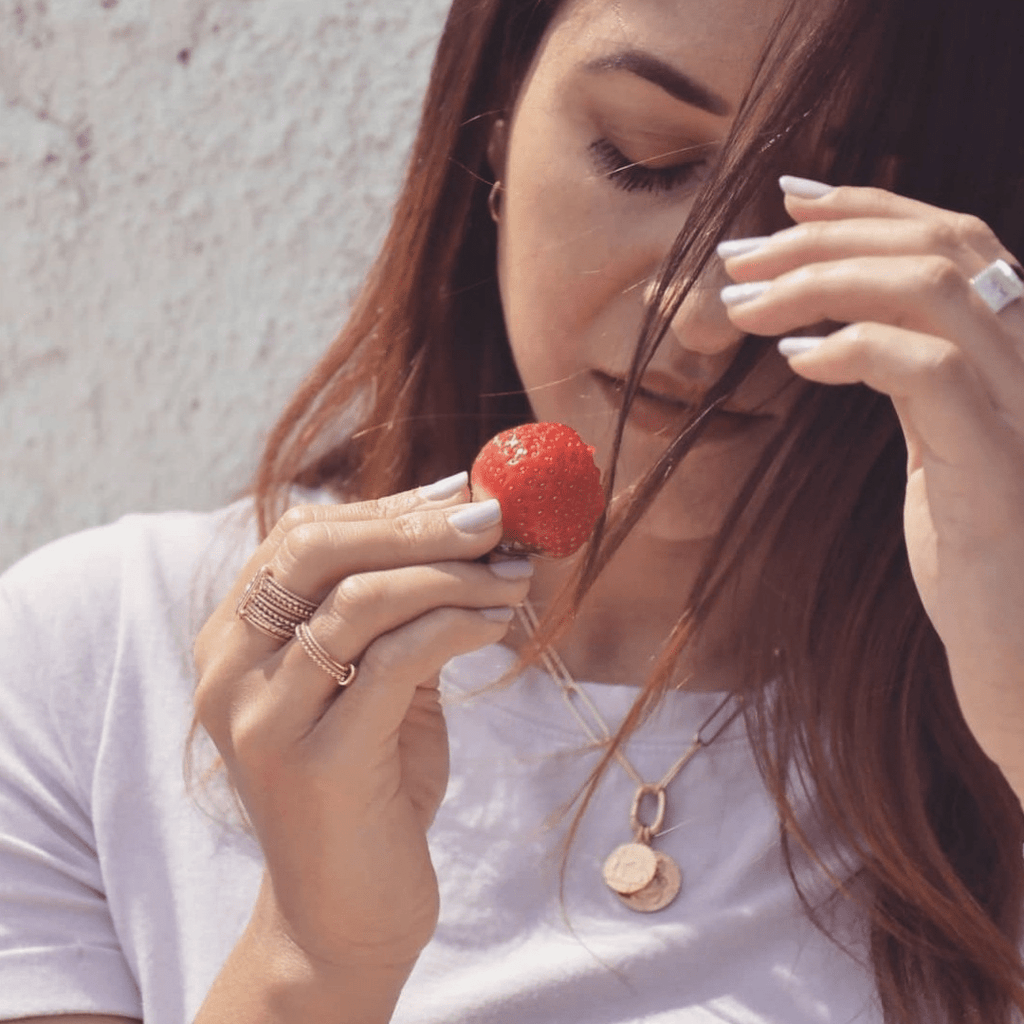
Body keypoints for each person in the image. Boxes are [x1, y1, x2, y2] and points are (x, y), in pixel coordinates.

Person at [2, 0, 1024, 1020]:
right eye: (644, 158)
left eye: (833, 213)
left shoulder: (993, 719)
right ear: (496, 128)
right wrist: (314, 961)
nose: (705, 316)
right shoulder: (94, 663)